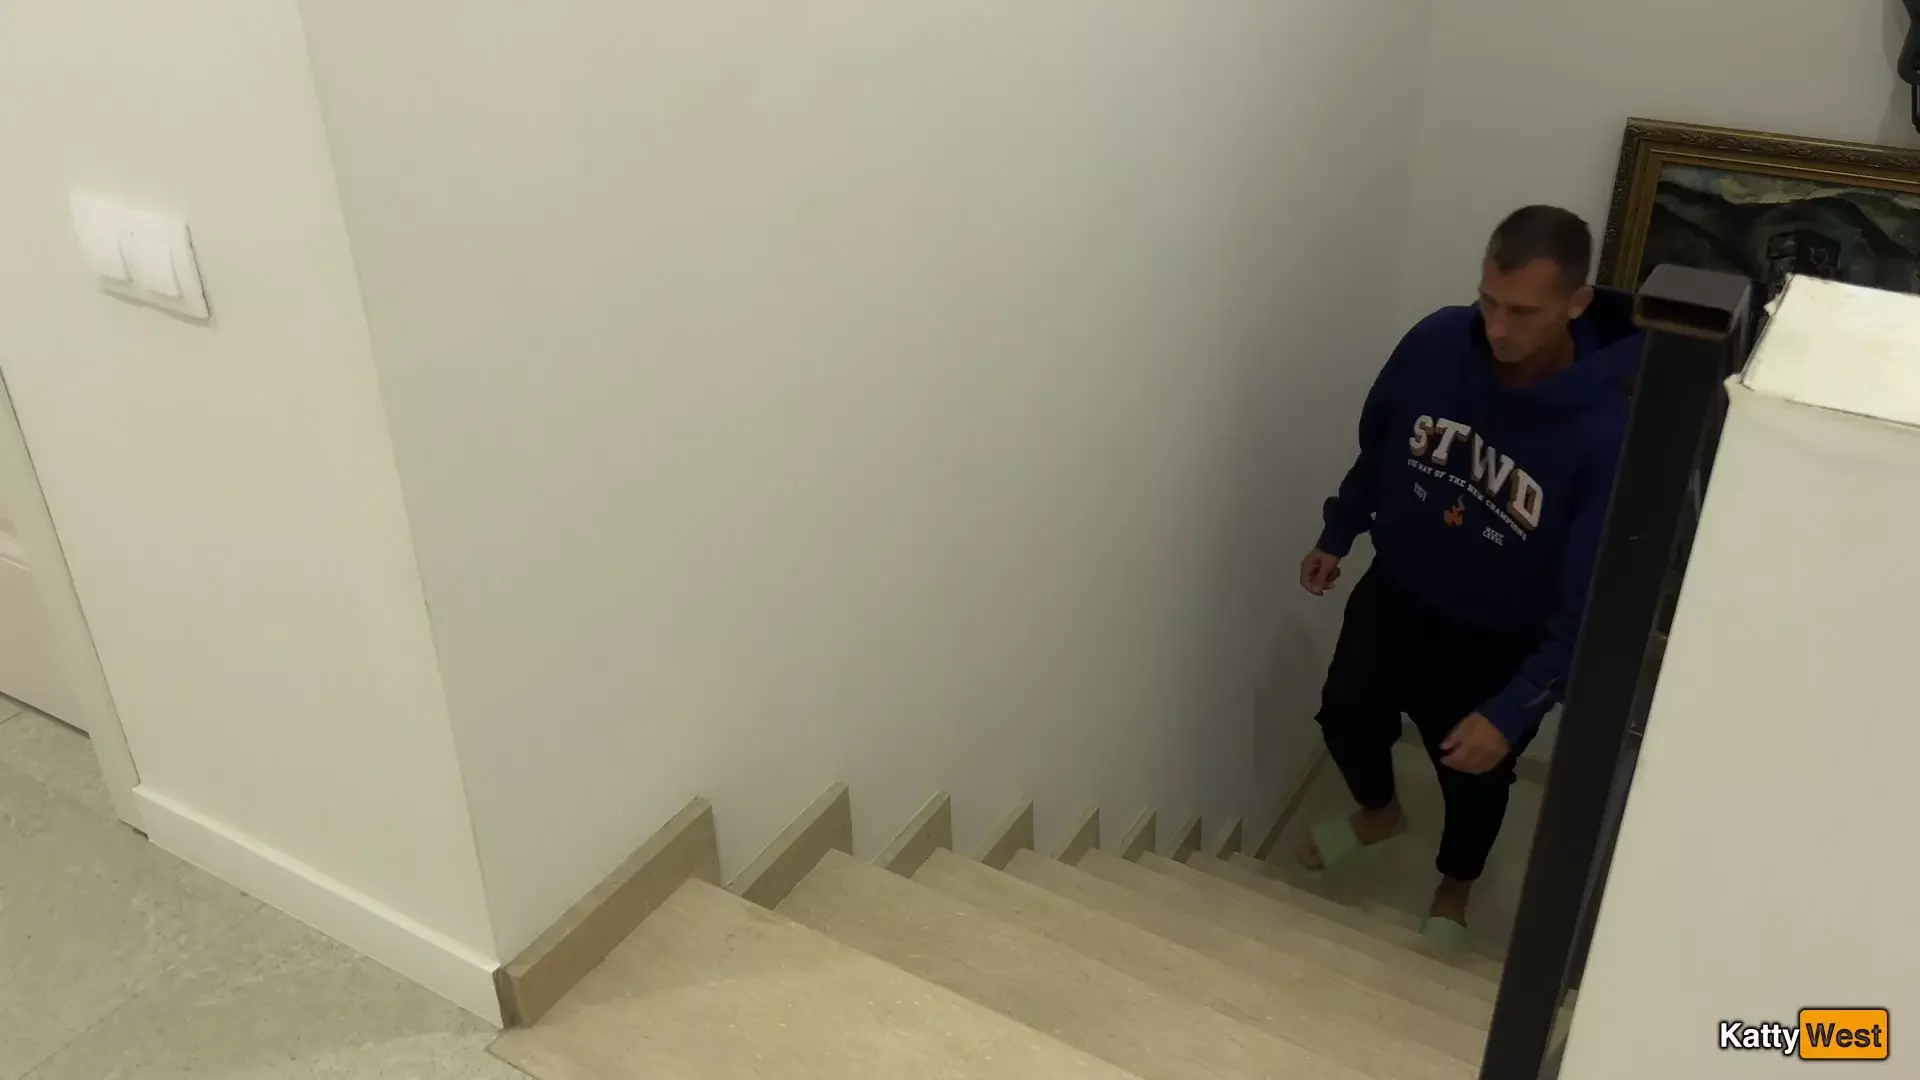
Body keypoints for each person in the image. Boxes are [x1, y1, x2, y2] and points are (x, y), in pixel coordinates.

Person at [1297, 205, 1644, 946]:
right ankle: (1380, 814)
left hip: (1500, 636)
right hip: (1399, 587)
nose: (1498, 328)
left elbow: (1593, 599)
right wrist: (1340, 528)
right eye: (1488, 302)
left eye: (1523, 311)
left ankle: (1455, 886)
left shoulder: (1608, 429)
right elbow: (1381, 446)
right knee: (1345, 713)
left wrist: (1516, 708)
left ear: (1576, 303)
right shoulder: (1434, 343)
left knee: (1475, 774)